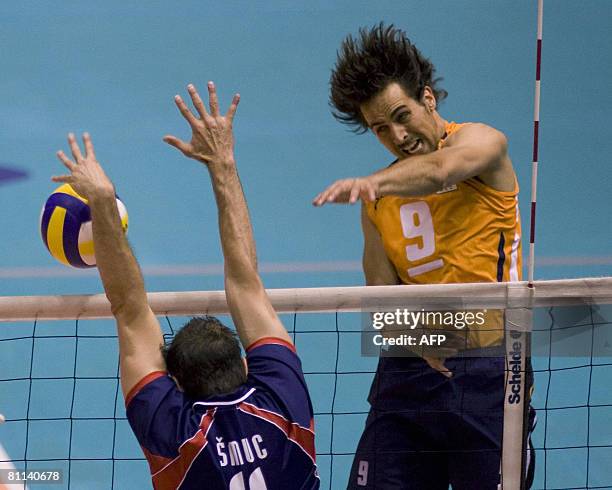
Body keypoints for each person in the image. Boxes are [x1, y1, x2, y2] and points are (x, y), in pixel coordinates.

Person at [52, 82, 319, 489]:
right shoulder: (284, 405)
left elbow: (130, 305)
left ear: (175, 384)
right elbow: (246, 283)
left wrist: (102, 202)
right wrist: (223, 162)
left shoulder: (176, 435)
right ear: (247, 366)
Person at [313, 24, 534, 489]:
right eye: (379, 129)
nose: (397, 135)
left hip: (489, 373)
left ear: (428, 99)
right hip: (408, 377)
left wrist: (374, 182)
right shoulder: (378, 204)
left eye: (401, 114)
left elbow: (441, 169)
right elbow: (380, 303)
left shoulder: (483, 145)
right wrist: (417, 338)